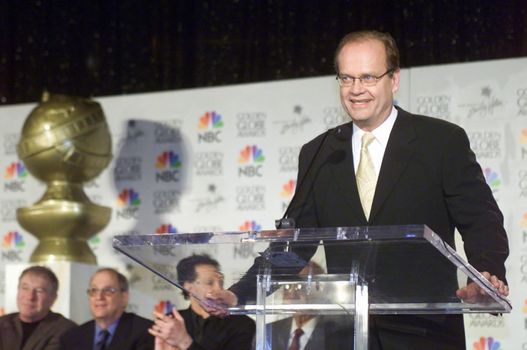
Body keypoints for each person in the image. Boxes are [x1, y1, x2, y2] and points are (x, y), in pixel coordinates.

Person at [207, 30, 510, 349]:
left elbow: (481, 219)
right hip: (348, 333)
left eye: (367, 77)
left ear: (393, 79)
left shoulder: (440, 141)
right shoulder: (320, 152)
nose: (355, 90)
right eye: (346, 78)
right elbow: (295, 245)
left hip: (423, 331)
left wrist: (485, 275)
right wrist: (237, 294)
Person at [149, 254, 255, 350]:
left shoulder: (241, 323)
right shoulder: (171, 322)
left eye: (221, 282)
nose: (218, 289)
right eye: (209, 283)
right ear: (188, 287)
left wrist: (184, 342)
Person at [59, 267, 154, 350]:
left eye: (108, 291)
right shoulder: (71, 338)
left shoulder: (146, 333)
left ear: (124, 298)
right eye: (94, 291)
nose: (99, 297)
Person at [267, 261, 353, 350]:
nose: (292, 294)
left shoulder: (341, 335)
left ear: (321, 291)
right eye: (287, 286)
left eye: (301, 286)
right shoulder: (268, 331)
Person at [0, 265, 76, 350]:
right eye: (25, 288)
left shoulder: (66, 330)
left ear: (53, 297)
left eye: (39, 291)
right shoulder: (3, 323)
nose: (30, 297)